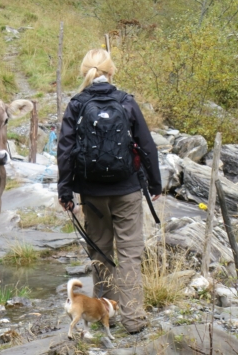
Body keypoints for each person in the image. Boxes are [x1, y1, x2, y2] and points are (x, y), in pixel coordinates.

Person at [57, 48, 161, 335]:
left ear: (84, 72)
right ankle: (134, 319)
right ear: (111, 71)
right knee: (129, 254)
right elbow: (147, 144)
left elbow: (64, 151)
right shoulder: (126, 102)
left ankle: (106, 317)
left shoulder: (77, 104)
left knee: (100, 252)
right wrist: (155, 184)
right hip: (127, 189)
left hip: (92, 193)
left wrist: (65, 191)